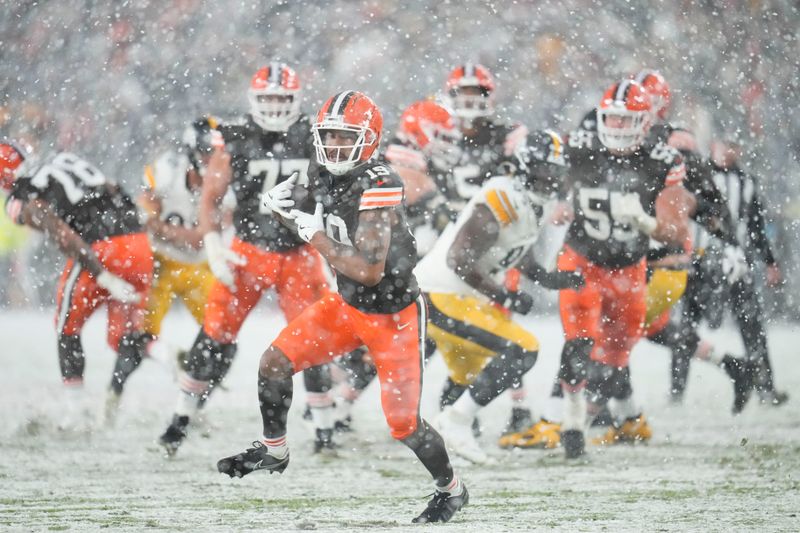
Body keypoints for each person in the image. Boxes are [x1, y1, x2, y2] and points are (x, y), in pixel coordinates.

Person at [217, 91, 467, 524]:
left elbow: (369, 268)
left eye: (343, 136)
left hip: (394, 317)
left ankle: (452, 489)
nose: (333, 145)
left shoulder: (380, 181)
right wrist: (284, 205)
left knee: (405, 426)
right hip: (346, 305)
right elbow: (309, 207)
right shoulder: (324, 169)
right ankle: (274, 451)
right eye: (328, 135)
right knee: (274, 363)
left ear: (368, 139)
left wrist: (309, 230)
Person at [157, 63, 337, 454]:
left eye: (281, 98)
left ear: (295, 100)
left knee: (313, 338)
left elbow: (331, 189)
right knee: (215, 334)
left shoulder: (311, 136)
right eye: (268, 98)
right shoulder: (236, 137)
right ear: (255, 100)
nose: (274, 106)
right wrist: (212, 244)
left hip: (299, 249)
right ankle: (179, 420)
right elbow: (210, 197)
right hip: (249, 250)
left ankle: (325, 430)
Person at [416, 130, 581, 463]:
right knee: (524, 349)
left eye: (557, 170)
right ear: (525, 166)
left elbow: (511, 249)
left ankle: (448, 449)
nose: (553, 178)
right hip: (442, 294)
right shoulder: (503, 196)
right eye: (546, 169)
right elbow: (459, 260)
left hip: (454, 296)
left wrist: (548, 278)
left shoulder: (530, 200)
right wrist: (504, 296)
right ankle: (455, 423)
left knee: (469, 376)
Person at [554, 80, 694, 458]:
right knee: (579, 339)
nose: (616, 127)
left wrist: (647, 224)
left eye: (625, 119)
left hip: (630, 267)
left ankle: (596, 414)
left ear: (646, 121)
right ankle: (571, 419)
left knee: (617, 352)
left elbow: (676, 229)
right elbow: (544, 175)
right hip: (581, 259)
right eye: (611, 119)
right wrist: (555, 201)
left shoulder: (664, 160)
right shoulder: (579, 146)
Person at [1, 142, 152, 427]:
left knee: (66, 327)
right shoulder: (60, 157)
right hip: (137, 242)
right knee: (128, 333)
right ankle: (166, 363)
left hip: (97, 247)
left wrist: (102, 273)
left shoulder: (23, 194)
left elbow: (58, 230)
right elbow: (113, 187)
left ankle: (75, 410)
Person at [136, 117, 218, 381]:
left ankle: (193, 381)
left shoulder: (229, 173)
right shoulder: (167, 171)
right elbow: (143, 213)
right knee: (138, 336)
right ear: (191, 150)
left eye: (218, 152)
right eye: (207, 151)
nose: (212, 159)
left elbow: (226, 221)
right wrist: (177, 234)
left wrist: (204, 235)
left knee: (220, 335)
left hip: (199, 265)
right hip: (161, 261)